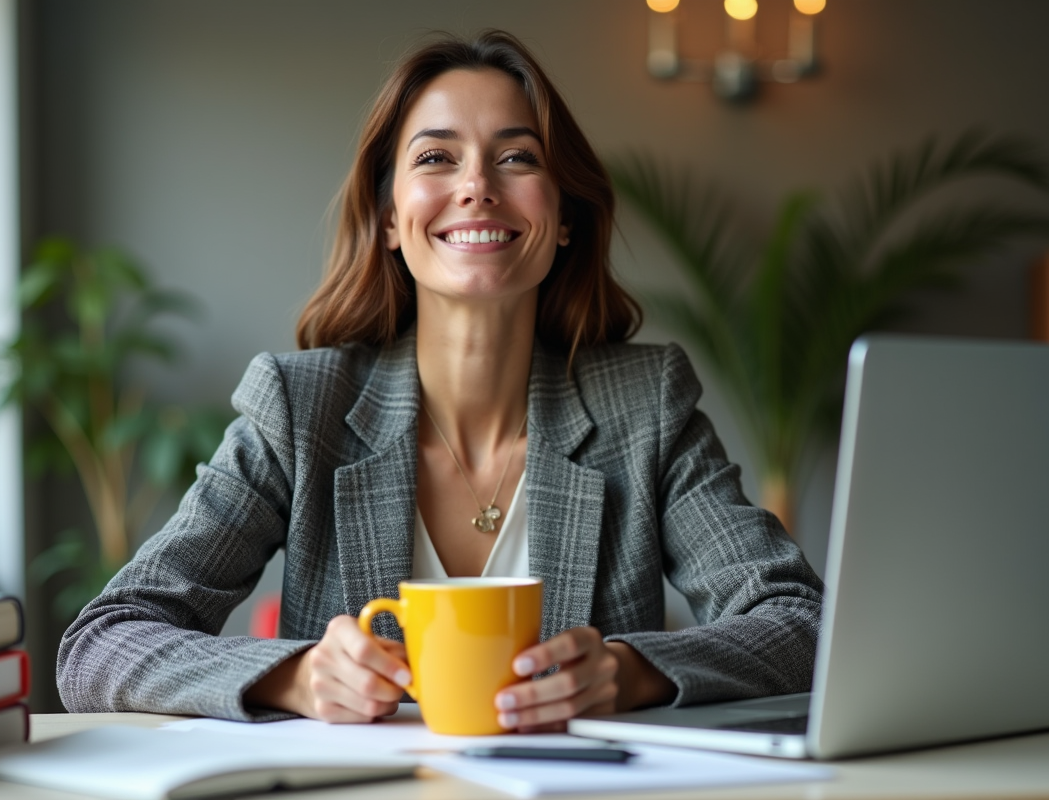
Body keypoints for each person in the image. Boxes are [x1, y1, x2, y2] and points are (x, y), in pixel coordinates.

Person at [57, 30, 822, 731]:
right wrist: (291, 676)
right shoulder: (301, 409)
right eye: (435, 157)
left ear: (563, 218)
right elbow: (99, 644)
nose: (478, 186)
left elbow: (803, 621)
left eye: (518, 157)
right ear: (390, 217)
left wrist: (632, 673)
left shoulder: (645, 405)